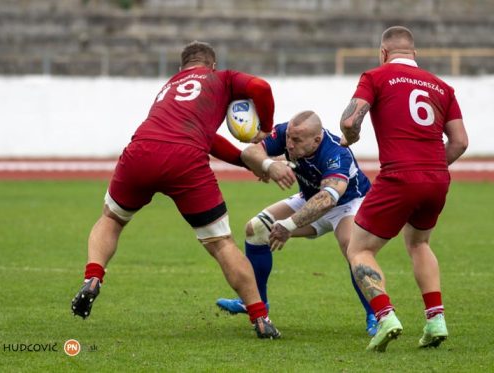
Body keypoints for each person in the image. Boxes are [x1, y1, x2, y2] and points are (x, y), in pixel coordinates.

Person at [70, 41, 282, 339]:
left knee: (112, 219)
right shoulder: (222, 78)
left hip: (141, 150)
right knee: (221, 243)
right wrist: (264, 132)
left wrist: (247, 163)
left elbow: (206, 138)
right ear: (213, 65)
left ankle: (93, 277)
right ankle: (260, 319)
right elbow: (260, 86)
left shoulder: (168, 87)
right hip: (185, 160)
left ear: (180, 68)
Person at [339, 26, 468, 352]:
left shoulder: (376, 76)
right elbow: (461, 142)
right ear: (415, 54)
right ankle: (435, 320)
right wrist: (433, 168)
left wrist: (351, 137)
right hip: (437, 179)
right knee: (419, 243)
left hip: (399, 176)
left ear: (383, 53)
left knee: (359, 249)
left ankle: (385, 316)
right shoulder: (442, 86)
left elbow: (350, 121)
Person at [215, 110, 379, 336]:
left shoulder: (335, 152)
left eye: (297, 140)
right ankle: (256, 302)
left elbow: (328, 199)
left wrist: (289, 225)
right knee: (256, 229)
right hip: (311, 197)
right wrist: (267, 165)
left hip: (348, 203)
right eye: (289, 138)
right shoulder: (285, 134)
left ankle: (376, 315)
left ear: (317, 140)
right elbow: (251, 151)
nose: (289, 144)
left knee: (352, 246)